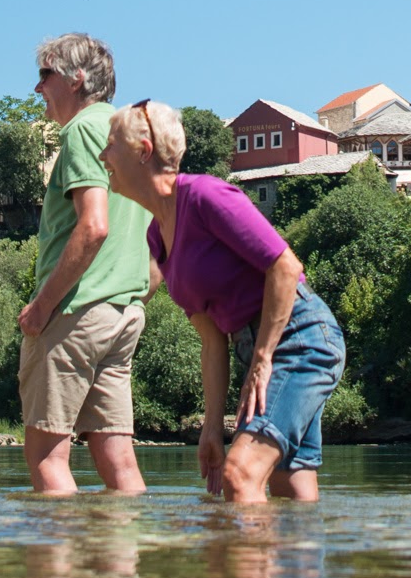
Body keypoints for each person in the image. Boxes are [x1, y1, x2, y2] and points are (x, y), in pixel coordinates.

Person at [102, 100, 341, 503]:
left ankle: (234, 566)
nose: (103, 156)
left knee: (239, 475)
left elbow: (284, 268)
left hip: (299, 339)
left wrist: (263, 358)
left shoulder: (205, 195)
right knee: (291, 496)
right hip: (254, 348)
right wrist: (211, 427)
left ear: (144, 151)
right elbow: (212, 340)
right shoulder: (157, 238)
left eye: (110, 145)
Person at [18, 33, 151, 495]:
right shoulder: (131, 134)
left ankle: (55, 569)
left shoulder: (81, 131)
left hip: (75, 313)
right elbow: (158, 242)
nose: (38, 88)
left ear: (76, 79)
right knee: (119, 461)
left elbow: (93, 226)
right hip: (124, 312)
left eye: (45, 74)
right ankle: (122, 565)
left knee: (45, 456)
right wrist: (132, 294)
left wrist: (42, 307)